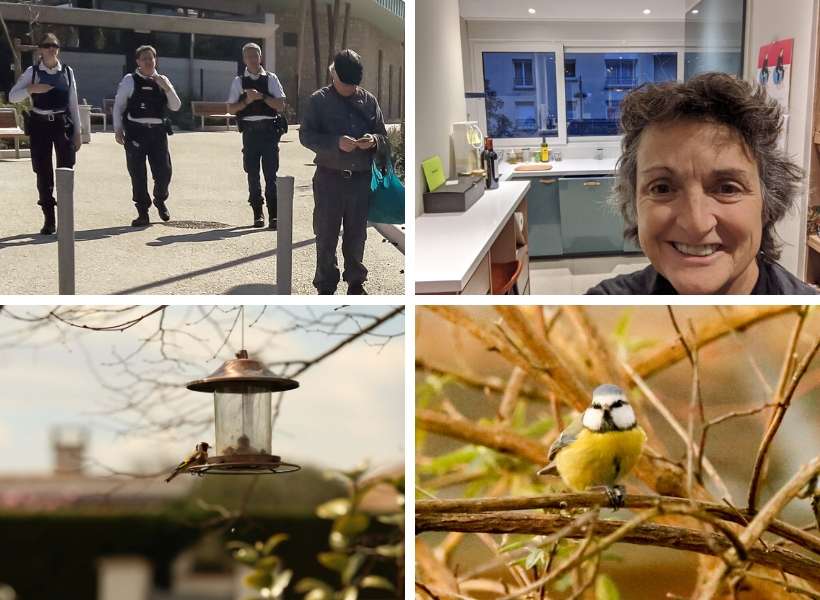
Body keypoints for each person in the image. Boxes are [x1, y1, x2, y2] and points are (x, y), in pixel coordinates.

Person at [587, 72, 817, 295]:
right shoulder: (595, 317)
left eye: (727, 188)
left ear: (768, 204)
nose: (695, 224)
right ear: (635, 202)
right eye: (662, 188)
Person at [299, 49, 387, 295]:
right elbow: (306, 135)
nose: (349, 89)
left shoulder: (369, 101)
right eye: (344, 84)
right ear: (333, 74)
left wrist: (373, 140)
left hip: (360, 180)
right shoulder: (318, 101)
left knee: (357, 235)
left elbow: (383, 135)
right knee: (326, 234)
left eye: (353, 85)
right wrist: (335, 142)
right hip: (329, 178)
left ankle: (356, 281)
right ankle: (325, 283)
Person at [9, 32, 82, 235]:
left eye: (55, 46)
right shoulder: (32, 72)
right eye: (47, 45)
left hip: (62, 124)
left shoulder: (67, 72)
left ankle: (65, 219)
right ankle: (49, 218)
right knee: (43, 172)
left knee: (66, 170)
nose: (51, 49)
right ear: (40, 49)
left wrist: (78, 132)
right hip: (40, 125)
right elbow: (13, 96)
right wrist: (31, 89)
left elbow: (73, 103)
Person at [113, 45, 181, 227]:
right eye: (144, 59)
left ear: (155, 60)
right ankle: (143, 212)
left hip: (158, 133)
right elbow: (119, 106)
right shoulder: (130, 80)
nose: (148, 62)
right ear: (138, 62)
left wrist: (166, 87)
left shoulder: (162, 80)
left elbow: (176, 106)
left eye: (151, 58)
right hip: (136, 132)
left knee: (164, 172)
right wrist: (118, 129)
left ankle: (160, 199)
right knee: (138, 174)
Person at [226, 42, 287, 229]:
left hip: (269, 131)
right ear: (244, 59)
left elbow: (281, 104)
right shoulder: (238, 81)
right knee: (252, 174)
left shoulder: (271, 79)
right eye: (249, 56)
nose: (252, 59)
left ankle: (274, 215)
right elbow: (231, 108)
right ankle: (257, 213)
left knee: (271, 174)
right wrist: (246, 100)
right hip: (250, 133)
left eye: (255, 55)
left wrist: (262, 97)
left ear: (260, 57)